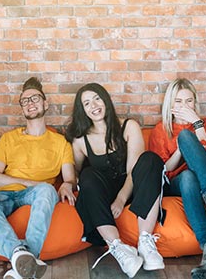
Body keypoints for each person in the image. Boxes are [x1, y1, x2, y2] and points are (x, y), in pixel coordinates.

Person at [0, 77, 77, 279]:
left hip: (37, 195)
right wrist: (29, 183)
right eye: (25, 101)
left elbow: (69, 179)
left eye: (35, 98)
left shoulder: (60, 143)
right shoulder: (9, 138)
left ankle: (22, 261)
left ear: (45, 103)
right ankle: (22, 257)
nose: (30, 103)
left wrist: (67, 184)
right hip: (6, 194)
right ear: (22, 108)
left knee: (47, 190)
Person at [65, 83, 167, 278]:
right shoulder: (80, 141)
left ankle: (145, 242)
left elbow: (133, 170)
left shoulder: (129, 126)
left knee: (151, 159)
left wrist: (121, 199)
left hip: (134, 189)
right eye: (87, 103)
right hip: (104, 195)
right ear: (83, 111)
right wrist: (67, 183)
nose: (93, 105)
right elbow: (75, 173)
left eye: (96, 98)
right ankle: (118, 247)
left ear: (105, 100)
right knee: (87, 175)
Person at [148, 78, 206, 279]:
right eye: (178, 101)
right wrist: (181, 149)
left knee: (187, 138)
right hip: (180, 183)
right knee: (187, 175)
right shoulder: (161, 130)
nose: (184, 106)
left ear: (195, 103)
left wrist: (196, 124)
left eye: (189, 101)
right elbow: (163, 172)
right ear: (170, 105)